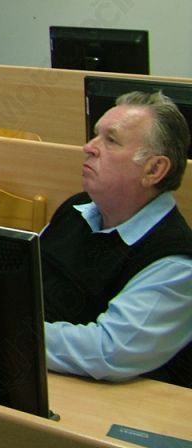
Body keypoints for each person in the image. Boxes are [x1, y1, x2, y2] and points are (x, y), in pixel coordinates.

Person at [41, 90, 192, 385]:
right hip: (45, 375)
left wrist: (8, 330)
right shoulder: (76, 209)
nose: (89, 147)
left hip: (108, 400)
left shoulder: (176, 262)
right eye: (95, 135)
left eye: (110, 140)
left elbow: (108, 350)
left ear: (154, 169)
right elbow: (23, 278)